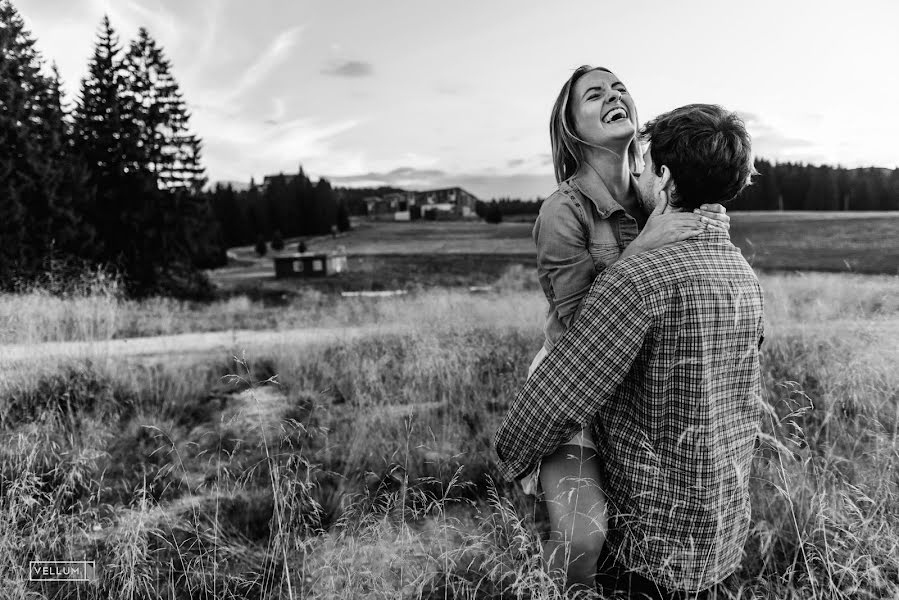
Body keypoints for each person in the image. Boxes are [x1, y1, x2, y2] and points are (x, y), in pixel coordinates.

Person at [495, 103, 764, 599]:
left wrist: (511, 451)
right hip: (718, 528)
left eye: (646, 164)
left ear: (663, 177)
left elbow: (568, 383)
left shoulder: (639, 282)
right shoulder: (744, 277)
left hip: (650, 536)